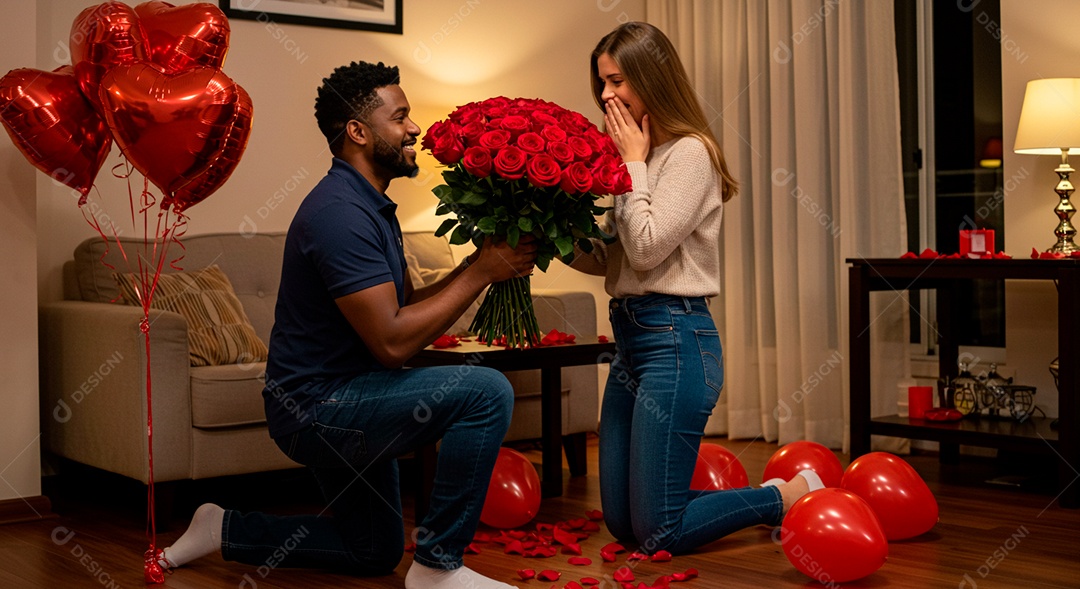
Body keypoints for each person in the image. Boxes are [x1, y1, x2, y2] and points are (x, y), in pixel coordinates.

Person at [158, 61, 535, 589]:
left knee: (372, 550)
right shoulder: (339, 214)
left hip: (351, 394)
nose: (414, 129)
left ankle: (223, 527)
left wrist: (479, 264)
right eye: (400, 116)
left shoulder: (370, 205)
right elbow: (391, 342)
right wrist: (482, 274)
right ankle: (437, 566)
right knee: (486, 391)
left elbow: (400, 307)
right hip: (319, 409)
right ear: (358, 132)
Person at [570, 22, 823, 554]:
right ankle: (692, 500)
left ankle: (787, 494)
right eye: (602, 84)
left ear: (651, 77)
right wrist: (545, 233)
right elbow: (616, 262)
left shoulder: (689, 154)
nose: (607, 96)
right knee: (623, 524)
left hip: (677, 344)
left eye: (617, 81)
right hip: (631, 344)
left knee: (660, 531)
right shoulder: (633, 159)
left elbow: (646, 249)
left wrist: (633, 164)